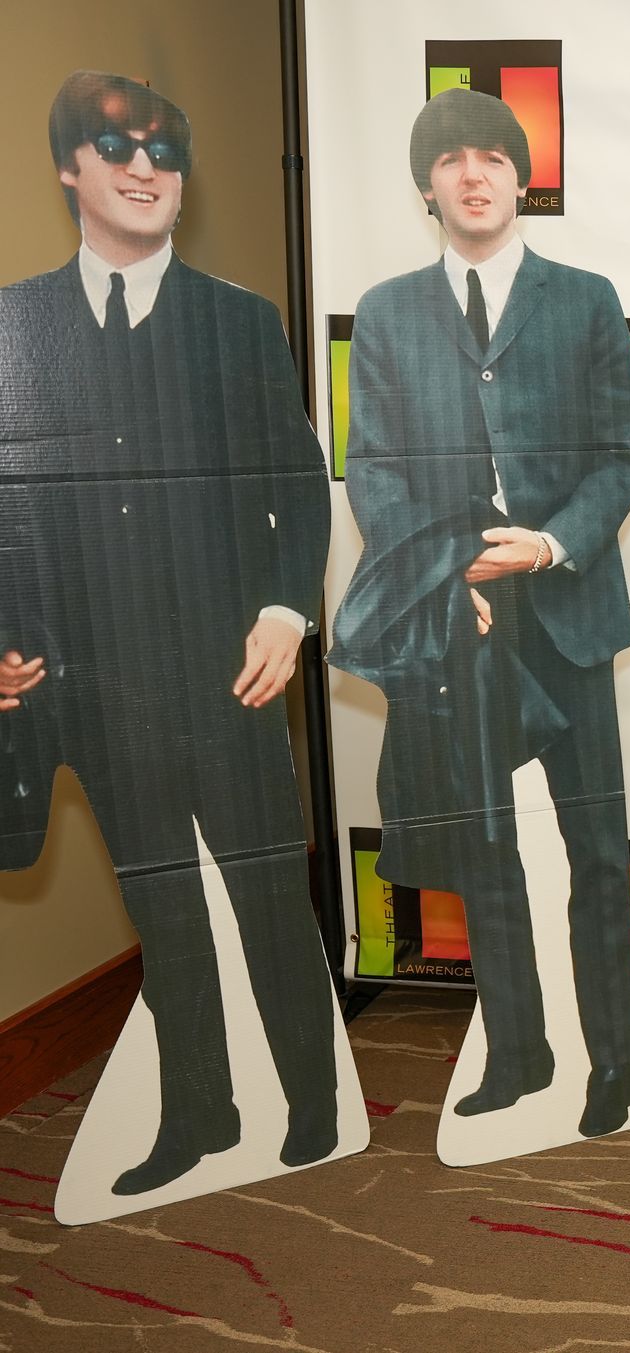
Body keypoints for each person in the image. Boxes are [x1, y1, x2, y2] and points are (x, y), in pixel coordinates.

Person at [0, 70, 339, 1195]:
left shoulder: (239, 321)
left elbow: (299, 483)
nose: (147, 168)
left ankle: (314, 1105)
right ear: (70, 167)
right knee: (167, 912)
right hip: (94, 688)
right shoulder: (15, 326)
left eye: (165, 151)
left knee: (263, 902)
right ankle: (198, 1112)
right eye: (117, 146)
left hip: (228, 676)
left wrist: (288, 613)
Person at [331, 89, 630, 1139]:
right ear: (427, 184)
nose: (474, 175)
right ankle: (520, 1053)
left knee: (598, 847)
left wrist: (551, 543)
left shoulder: (587, 298)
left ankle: (614, 1062)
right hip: (457, 619)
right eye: (452, 159)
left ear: (521, 178)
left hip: (563, 607)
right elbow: (373, 470)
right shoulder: (384, 313)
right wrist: (447, 573)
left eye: (493, 158)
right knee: (487, 849)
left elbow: (621, 456)